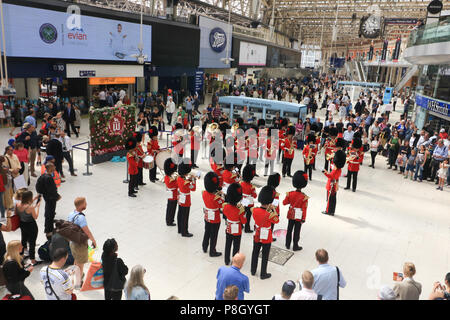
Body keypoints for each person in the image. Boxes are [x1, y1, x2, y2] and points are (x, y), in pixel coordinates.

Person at [251, 185, 279, 280]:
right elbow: (277, 220)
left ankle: (253, 270)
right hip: (266, 236)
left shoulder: (254, 210)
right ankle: (263, 273)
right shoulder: (270, 214)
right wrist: (273, 209)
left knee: (255, 252)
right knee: (265, 255)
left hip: (257, 234)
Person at [67, 197, 97, 286]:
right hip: (79, 245)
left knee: (76, 258)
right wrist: (93, 241)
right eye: (85, 203)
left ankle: (73, 273)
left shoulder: (71, 214)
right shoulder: (81, 218)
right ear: (80, 205)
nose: (86, 204)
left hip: (72, 242)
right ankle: (78, 282)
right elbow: (87, 231)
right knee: (81, 264)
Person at [283, 171, 309, 251]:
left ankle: (287, 244)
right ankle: (295, 246)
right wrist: (303, 218)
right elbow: (304, 209)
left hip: (291, 214)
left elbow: (284, 203)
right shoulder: (304, 197)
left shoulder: (290, 194)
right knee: (297, 231)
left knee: (289, 229)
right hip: (298, 215)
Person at [222, 183, 246, 265]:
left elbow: (225, 214)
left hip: (229, 228)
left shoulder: (225, 206)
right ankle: (234, 262)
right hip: (237, 230)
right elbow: (244, 221)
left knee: (228, 244)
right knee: (236, 247)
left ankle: (226, 260)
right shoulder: (240, 210)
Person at [202, 172, 224, 257]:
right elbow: (221, 204)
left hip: (207, 215)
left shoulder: (204, 193)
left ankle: (204, 246)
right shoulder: (217, 198)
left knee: (207, 231)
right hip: (215, 218)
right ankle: (212, 251)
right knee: (214, 235)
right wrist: (221, 195)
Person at [38, 162, 61, 240]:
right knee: (50, 214)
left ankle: (48, 228)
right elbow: (52, 190)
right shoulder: (49, 178)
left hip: (47, 197)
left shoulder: (43, 176)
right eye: (53, 166)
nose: (55, 167)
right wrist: (57, 196)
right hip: (51, 198)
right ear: (50, 168)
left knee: (49, 212)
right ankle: (49, 231)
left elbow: (39, 187)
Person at [17, 190, 41, 266]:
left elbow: (19, 212)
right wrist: (38, 207)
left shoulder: (18, 204)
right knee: (32, 242)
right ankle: (33, 260)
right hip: (31, 225)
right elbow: (36, 217)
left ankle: (22, 255)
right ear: (29, 198)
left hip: (22, 224)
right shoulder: (30, 207)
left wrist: (34, 199)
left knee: (23, 239)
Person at [322, 150, 346, 216]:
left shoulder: (335, 169)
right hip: (335, 185)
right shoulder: (339, 169)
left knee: (329, 199)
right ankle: (332, 211)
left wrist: (324, 172)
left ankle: (328, 211)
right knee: (333, 199)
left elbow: (330, 176)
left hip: (331, 185)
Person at [177, 159, 196, 237]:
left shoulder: (179, 178)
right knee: (185, 215)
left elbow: (184, 181)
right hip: (186, 199)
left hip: (180, 197)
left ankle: (180, 229)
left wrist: (189, 179)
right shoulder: (187, 182)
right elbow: (193, 188)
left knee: (180, 213)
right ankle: (184, 232)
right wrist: (194, 180)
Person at [240, 165, 257, 233]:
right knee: (248, 216)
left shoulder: (241, 183)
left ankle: (241, 224)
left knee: (242, 213)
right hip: (249, 203)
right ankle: (247, 228)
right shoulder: (252, 187)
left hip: (243, 201)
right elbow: (255, 196)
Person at [163, 158, 178, 227]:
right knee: (171, 208)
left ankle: (170, 220)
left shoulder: (167, 176)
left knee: (170, 208)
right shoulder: (170, 179)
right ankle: (169, 221)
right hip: (173, 195)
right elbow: (176, 185)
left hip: (171, 194)